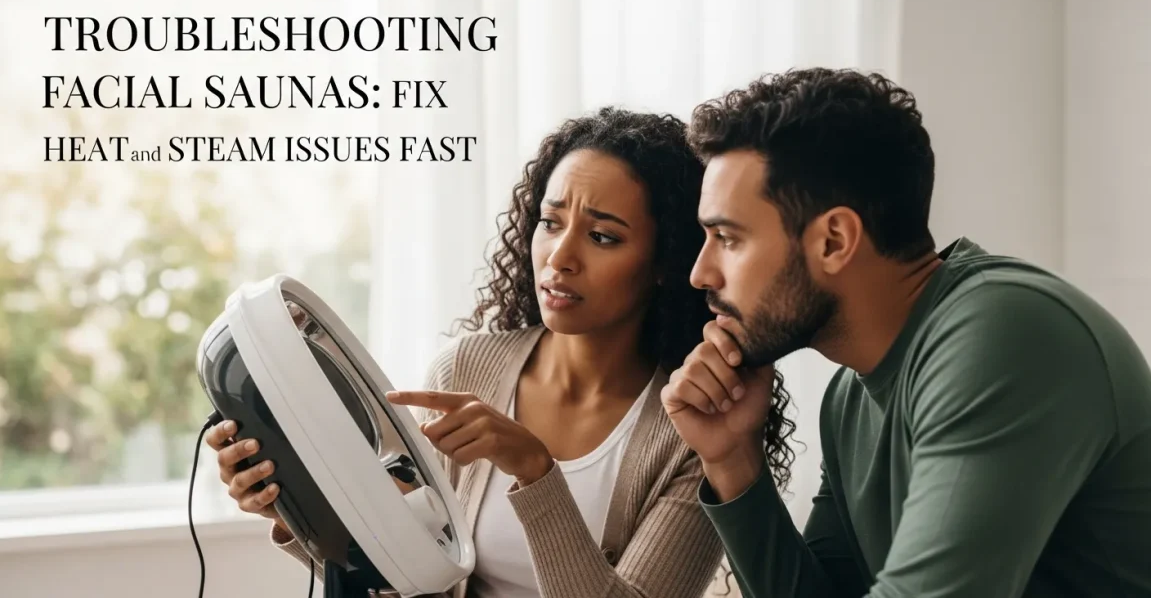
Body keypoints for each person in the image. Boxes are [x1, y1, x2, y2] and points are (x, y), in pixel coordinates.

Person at [206, 107, 752, 597]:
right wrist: (291, 505)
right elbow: (401, 575)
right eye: (550, 222)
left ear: (665, 261)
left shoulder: (698, 430)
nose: (559, 257)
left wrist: (536, 472)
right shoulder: (467, 370)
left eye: (602, 237)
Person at [661, 67, 1151, 597]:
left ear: (834, 240)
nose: (700, 273)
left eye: (727, 238)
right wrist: (733, 460)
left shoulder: (1004, 336)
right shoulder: (850, 397)